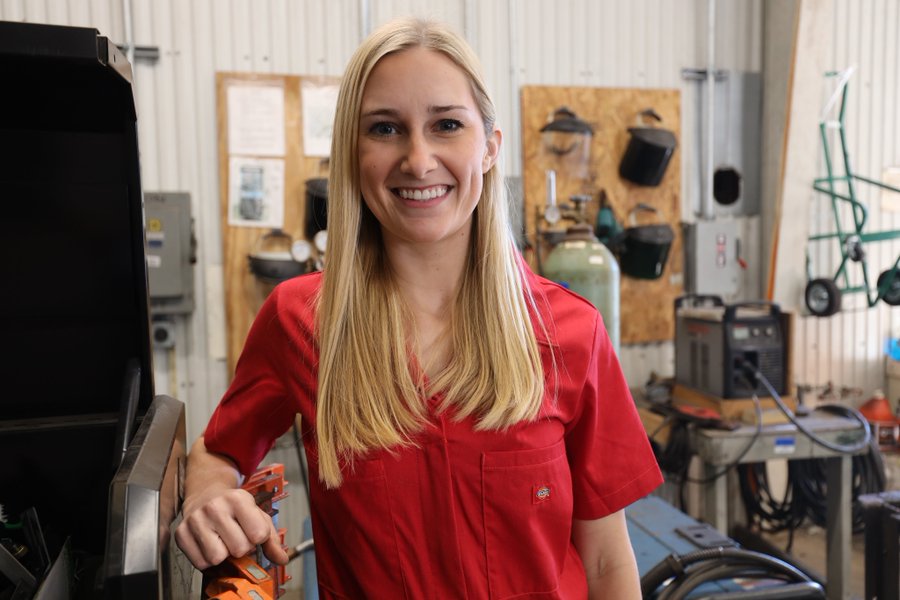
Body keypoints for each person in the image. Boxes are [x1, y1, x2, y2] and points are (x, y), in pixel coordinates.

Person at [175, 16, 662, 599]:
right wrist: (206, 493)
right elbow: (219, 448)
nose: (419, 159)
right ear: (352, 155)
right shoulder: (301, 321)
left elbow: (608, 563)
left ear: (488, 147)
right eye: (385, 129)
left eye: (447, 125)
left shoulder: (571, 331)